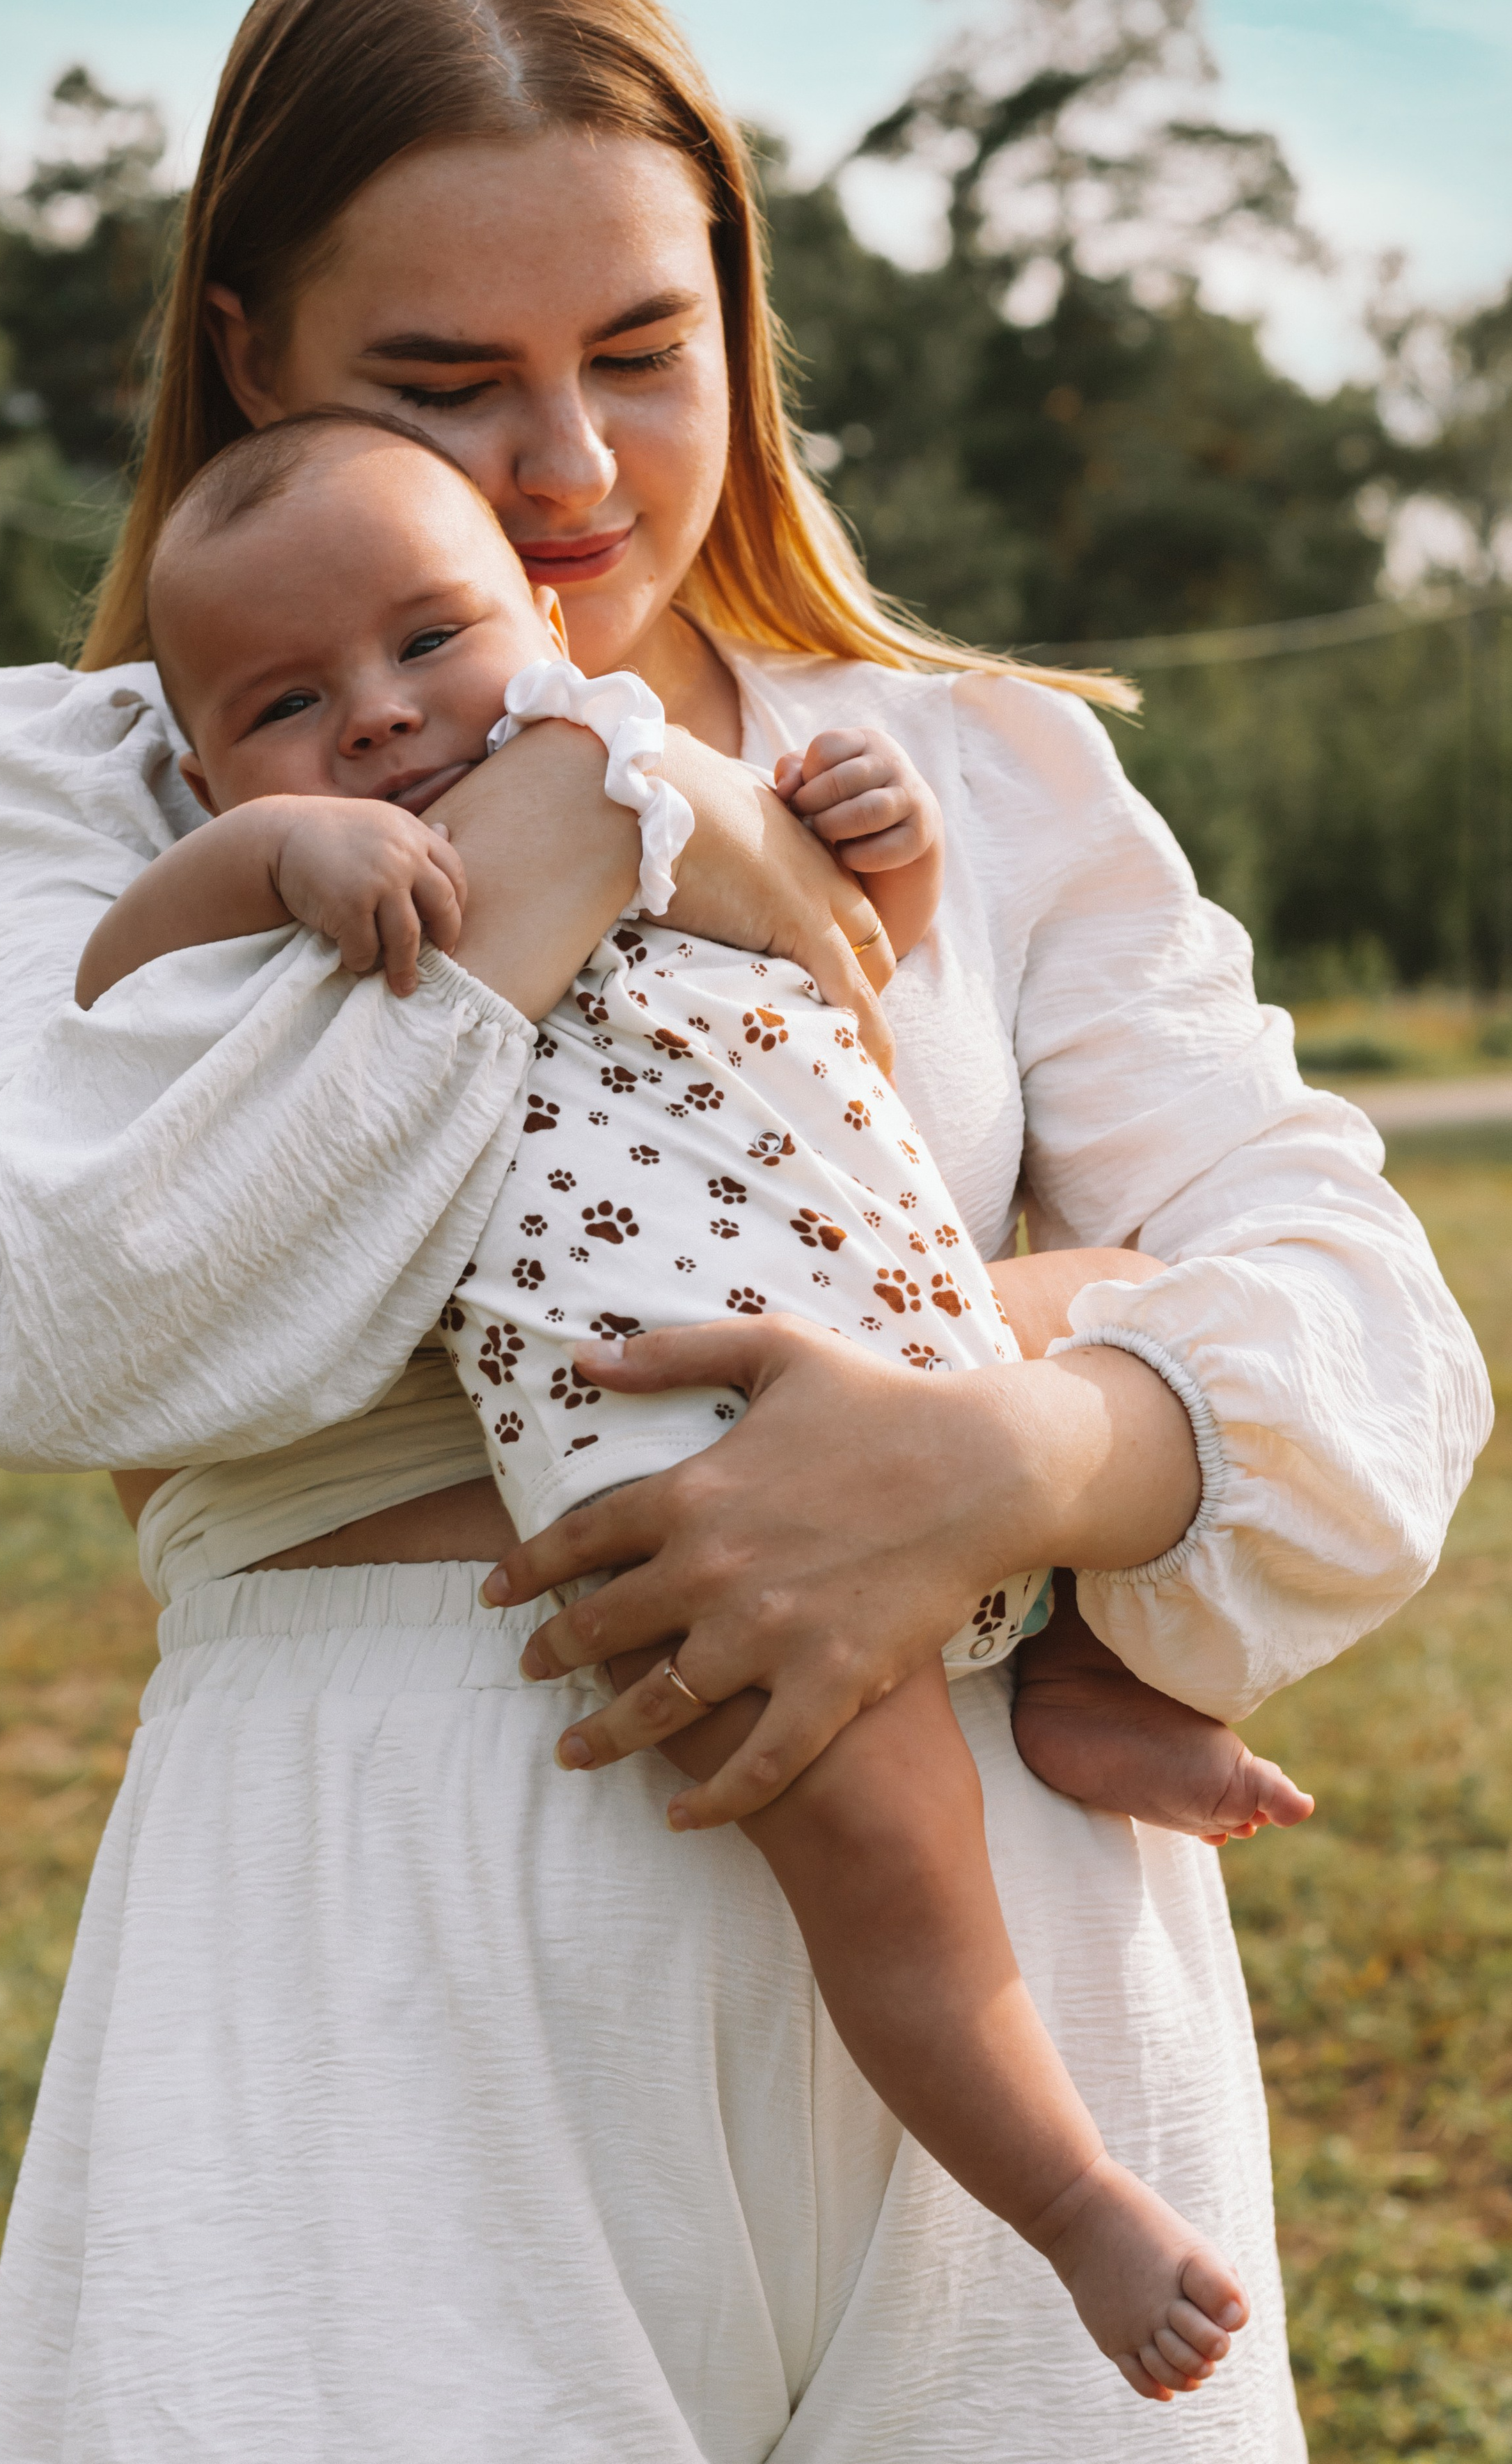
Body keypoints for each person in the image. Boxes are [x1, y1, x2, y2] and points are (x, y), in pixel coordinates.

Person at [0, 0, 1489, 2461]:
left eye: (646, 348)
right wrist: (563, 845)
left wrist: (1022, 1460)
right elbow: (24, 1322)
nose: (571, 469)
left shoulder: (977, 770)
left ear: (744, 301)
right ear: (248, 350)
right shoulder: (118, 794)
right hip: (378, 1969)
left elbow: (1374, 1322)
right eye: (447, 381)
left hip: (1020, 1949)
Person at [83, 398, 1320, 2396]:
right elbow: (106, 996)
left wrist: (880, 859)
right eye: (286, 705)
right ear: (197, 757)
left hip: (885, 1297)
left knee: (1151, 1324)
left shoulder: (649, 778)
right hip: (669, 1411)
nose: (383, 722)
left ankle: (1104, 1675)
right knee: (881, 1830)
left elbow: (856, 984)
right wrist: (268, 858)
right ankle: (1069, 2192)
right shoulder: (289, 888)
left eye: (426, 643)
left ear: (534, 623)